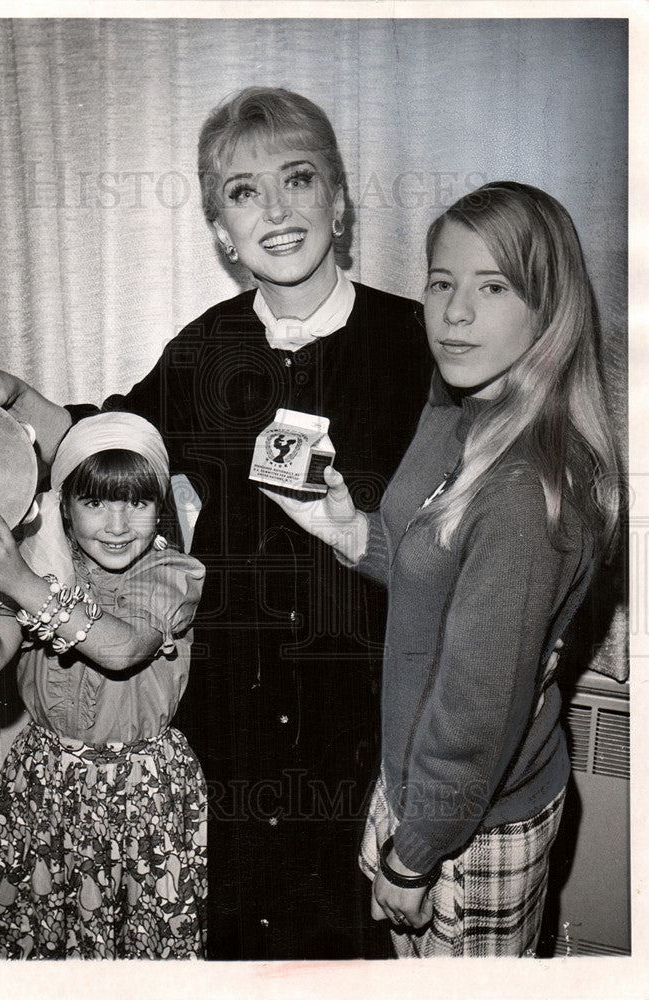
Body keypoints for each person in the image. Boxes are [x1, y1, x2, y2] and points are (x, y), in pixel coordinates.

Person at [0, 87, 433, 959]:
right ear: (220, 231)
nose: (274, 210)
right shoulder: (208, 346)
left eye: (297, 179)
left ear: (340, 203)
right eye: (243, 191)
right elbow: (113, 435)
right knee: (225, 912)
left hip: (357, 689)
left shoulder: (414, 343)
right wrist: (13, 394)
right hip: (227, 687)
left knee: (341, 924)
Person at [264, 181, 621, 957]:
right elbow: (439, 575)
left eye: (493, 287)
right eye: (441, 283)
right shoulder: (459, 405)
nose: (455, 313)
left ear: (549, 308)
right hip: (421, 782)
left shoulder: (525, 492)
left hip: (467, 820)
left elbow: (475, 711)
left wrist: (414, 854)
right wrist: (352, 531)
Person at [0, 412, 207, 959]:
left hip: (139, 790)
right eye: (95, 503)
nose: (117, 524)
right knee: (41, 924)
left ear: (158, 507)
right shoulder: (46, 564)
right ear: (63, 506)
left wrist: (17, 580)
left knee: (136, 932)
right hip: (44, 780)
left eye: (136, 503)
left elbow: (123, 650)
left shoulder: (172, 572)